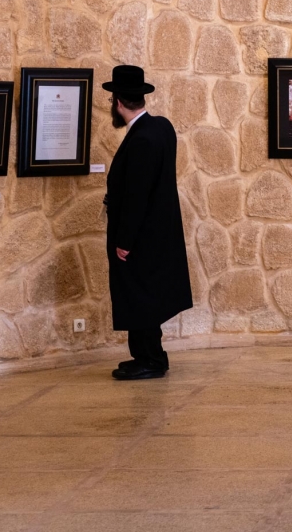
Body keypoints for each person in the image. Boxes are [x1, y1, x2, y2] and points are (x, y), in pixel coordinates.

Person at [103, 66, 193, 380]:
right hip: (156, 234)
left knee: (137, 297)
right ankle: (150, 355)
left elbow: (136, 196)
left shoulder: (141, 138)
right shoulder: (161, 127)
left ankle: (150, 360)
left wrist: (124, 240)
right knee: (145, 296)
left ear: (117, 102)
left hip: (139, 237)